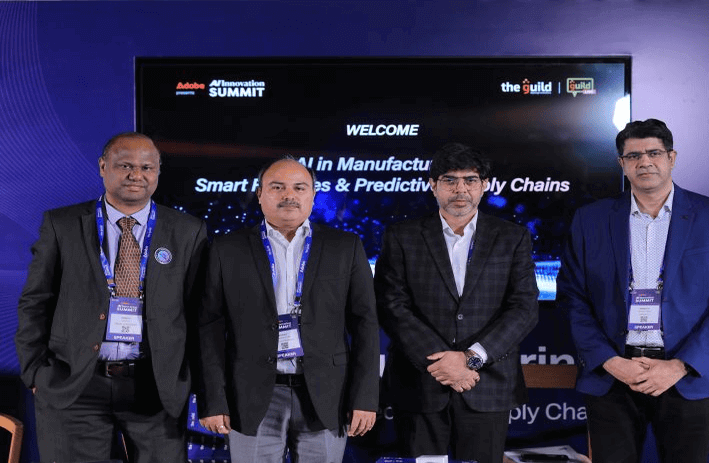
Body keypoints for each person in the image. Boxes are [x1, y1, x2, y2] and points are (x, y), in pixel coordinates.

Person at [557, 119, 709, 463]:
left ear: (671, 158)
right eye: (633, 156)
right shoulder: (590, 219)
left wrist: (679, 366)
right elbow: (573, 299)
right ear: (622, 163)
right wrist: (611, 361)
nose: (644, 162)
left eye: (654, 153)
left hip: (686, 377)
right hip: (614, 376)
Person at [15, 132, 208, 462]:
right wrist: (35, 372)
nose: (136, 175)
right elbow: (36, 301)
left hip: (155, 389)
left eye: (147, 167)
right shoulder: (62, 225)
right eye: (125, 165)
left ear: (158, 171)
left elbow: (200, 313)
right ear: (103, 167)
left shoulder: (188, 231)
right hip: (75, 384)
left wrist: (188, 380)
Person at [196, 157, 379, 462]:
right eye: (277, 187)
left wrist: (365, 398)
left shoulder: (345, 247)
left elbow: (366, 324)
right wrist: (213, 400)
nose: (289, 195)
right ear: (260, 194)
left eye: (299, 187)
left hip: (327, 396)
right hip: (250, 398)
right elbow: (209, 328)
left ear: (313, 195)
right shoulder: (226, 248)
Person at [374, 142, 539, 463]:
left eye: (470, 180)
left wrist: (470, 360)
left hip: (486, 385)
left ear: (485, 185)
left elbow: (524, 308)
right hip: (421, 384)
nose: (460, 189)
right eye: (449, 180)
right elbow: (391, 305)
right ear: (433, 185)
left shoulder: (512, 237)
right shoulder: (402, 236)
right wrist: (443, 364)